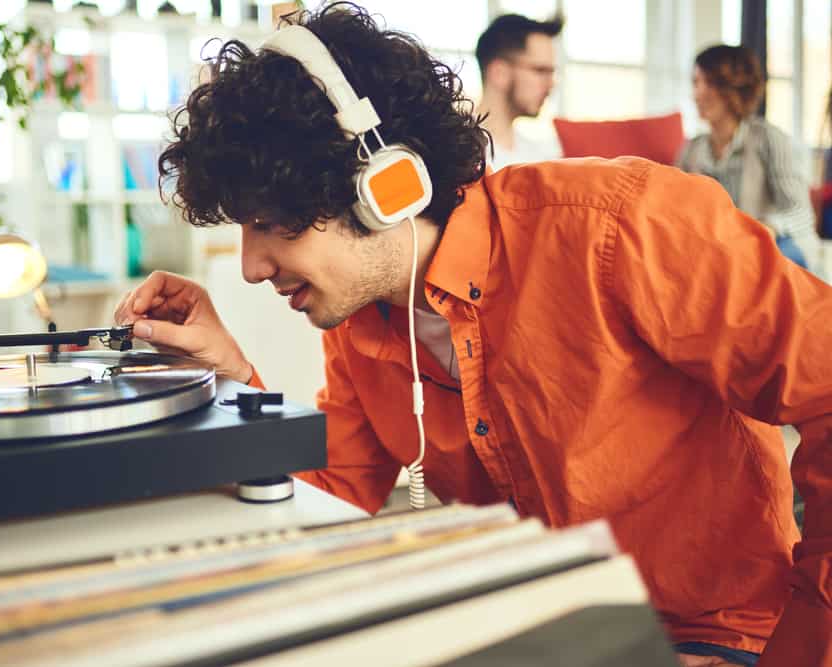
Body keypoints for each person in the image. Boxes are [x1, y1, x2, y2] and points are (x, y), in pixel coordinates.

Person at [115, 4, 832, 666]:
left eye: (271, 223)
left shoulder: (618, 227)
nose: (248, 266)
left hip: (709, 633)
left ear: (381, 181)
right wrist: (234, 379)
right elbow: (326, 499)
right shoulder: (362, 321)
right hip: (536, 635)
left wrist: (800, 650)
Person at [677, 44, 821, 273]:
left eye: (710, 83)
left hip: (779, 243)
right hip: (723, 249)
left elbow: (800, 213)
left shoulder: (769, 139)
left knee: (752, 262)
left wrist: (766, 228)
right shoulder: (691, 151)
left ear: (734, 88)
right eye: (696, 83)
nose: (698, 94)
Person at [474, 13, 563, 170]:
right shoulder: (456, 153)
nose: (551, 84)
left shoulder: (543, 158)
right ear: (499, 73)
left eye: (552, 73)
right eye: (540, 71)